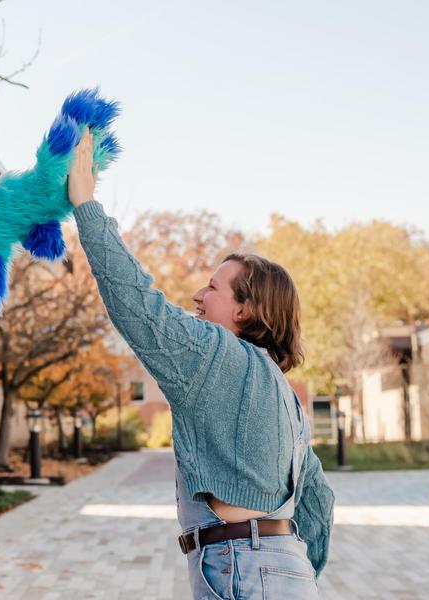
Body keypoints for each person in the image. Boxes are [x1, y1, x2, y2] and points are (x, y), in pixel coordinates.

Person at [67, 130, 334, 599]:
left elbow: (138, 306)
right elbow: (318, 505)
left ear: (244, 311)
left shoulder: (218, 357)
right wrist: (293, 571)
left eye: (213, 287)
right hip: (287, 570)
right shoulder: (285, 397)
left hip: (241, 568)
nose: (197, 295)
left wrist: (86, 205)